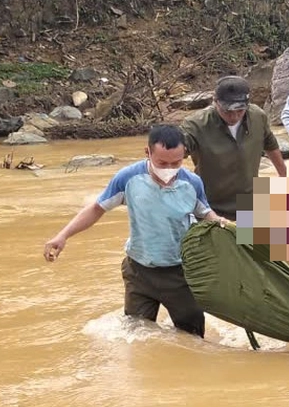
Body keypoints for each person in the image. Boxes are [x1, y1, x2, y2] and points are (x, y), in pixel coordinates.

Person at [43, 123, 224, 336]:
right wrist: (63, 235)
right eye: (162, 163)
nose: (169, 170)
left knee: (192, 339)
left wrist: (227, 227)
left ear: (184, 154)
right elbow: (96, 209)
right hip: (139, 273)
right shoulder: (128, 178)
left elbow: (207, 216)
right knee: (137, 338)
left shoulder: (192, 183)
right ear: (147, 153)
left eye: (176, 163)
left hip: (180, 273)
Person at [181, 75, 286, 219]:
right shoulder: (196, 125)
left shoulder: (257, 116)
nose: (234, 117)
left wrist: (283, 176)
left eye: (240, 111)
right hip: (212, 207)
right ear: (215, 102)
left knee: (261, 240)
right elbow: (175, 154)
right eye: (227, 111)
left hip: (252, 201)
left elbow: (270, 144)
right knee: (222, 241)